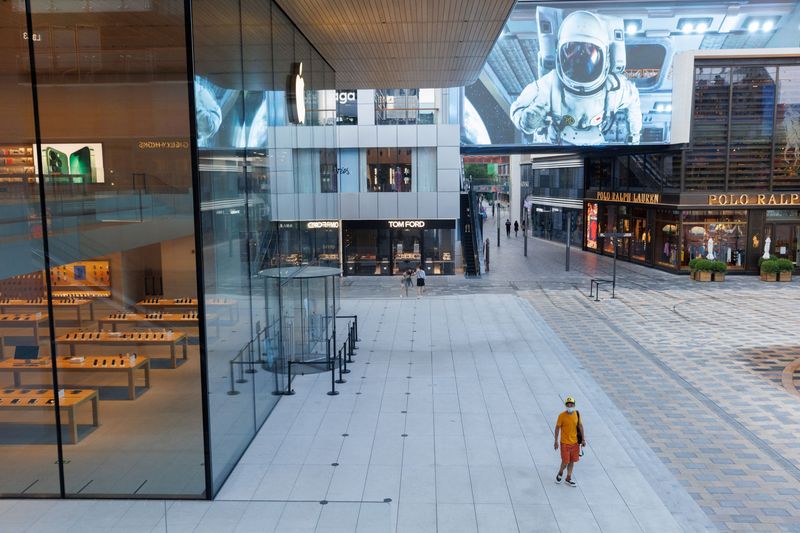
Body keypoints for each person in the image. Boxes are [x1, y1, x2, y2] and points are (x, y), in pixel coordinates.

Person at [509, 10, 641, 145]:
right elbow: (516, 109)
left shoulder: (615, 88)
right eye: (572, 48)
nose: (581, 56)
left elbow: (634, 102)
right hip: (556, 143)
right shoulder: (548, 86)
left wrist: (634, 136)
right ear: (559, 54)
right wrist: (527, 122)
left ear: (605, 56)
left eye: (590, 49)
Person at [554, 395, 586, 487]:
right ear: (566, 406)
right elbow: (557, 428)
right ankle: (560, 473)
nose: (570, 406)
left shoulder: (577, 414)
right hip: (565, 443)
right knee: (565, 461)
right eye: (568, 405)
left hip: (575, 443)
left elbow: (580, 426)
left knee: (572, 461)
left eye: (571, 405)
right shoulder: (561, 416)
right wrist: (556, 441)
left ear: (574, 405)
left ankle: (568, 478)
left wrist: (583, 439)